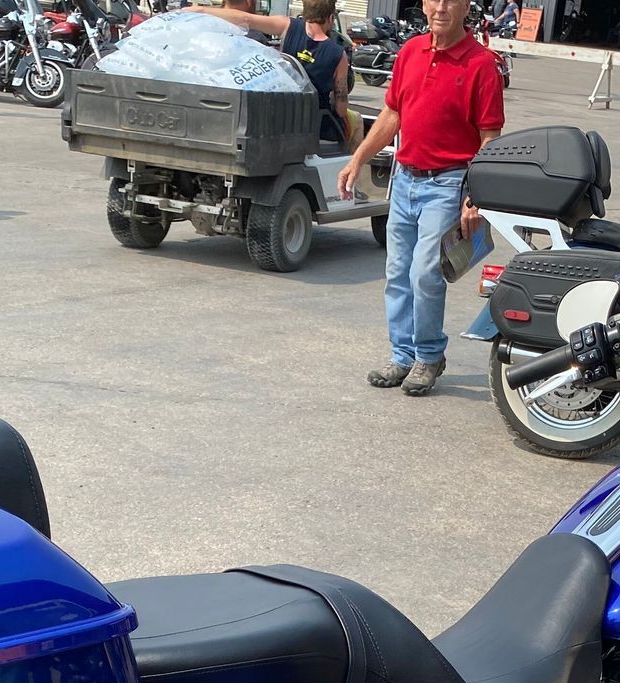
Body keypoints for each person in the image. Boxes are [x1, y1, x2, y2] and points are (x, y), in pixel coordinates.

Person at [340, 0, 503, 396]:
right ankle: (402, 356)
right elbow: (393, 114)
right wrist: (358, 158)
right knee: (396, 272)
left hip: (447, 184)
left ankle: (428, 356)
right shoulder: (410, 52)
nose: (441, 8)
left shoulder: (481, 65)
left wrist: (476, 197)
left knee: (425, 274)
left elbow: (489, 138)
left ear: (466, 7)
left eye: (451, 1)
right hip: (405, 179)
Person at [190, 0, 350, 144]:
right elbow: (340, 107)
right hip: (316, 124)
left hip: (281, 118)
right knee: (355, 123)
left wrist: (201, 11)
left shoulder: (288, 26)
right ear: (330, 18)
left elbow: (246, 19)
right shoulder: (338, 54)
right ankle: (351, 170)